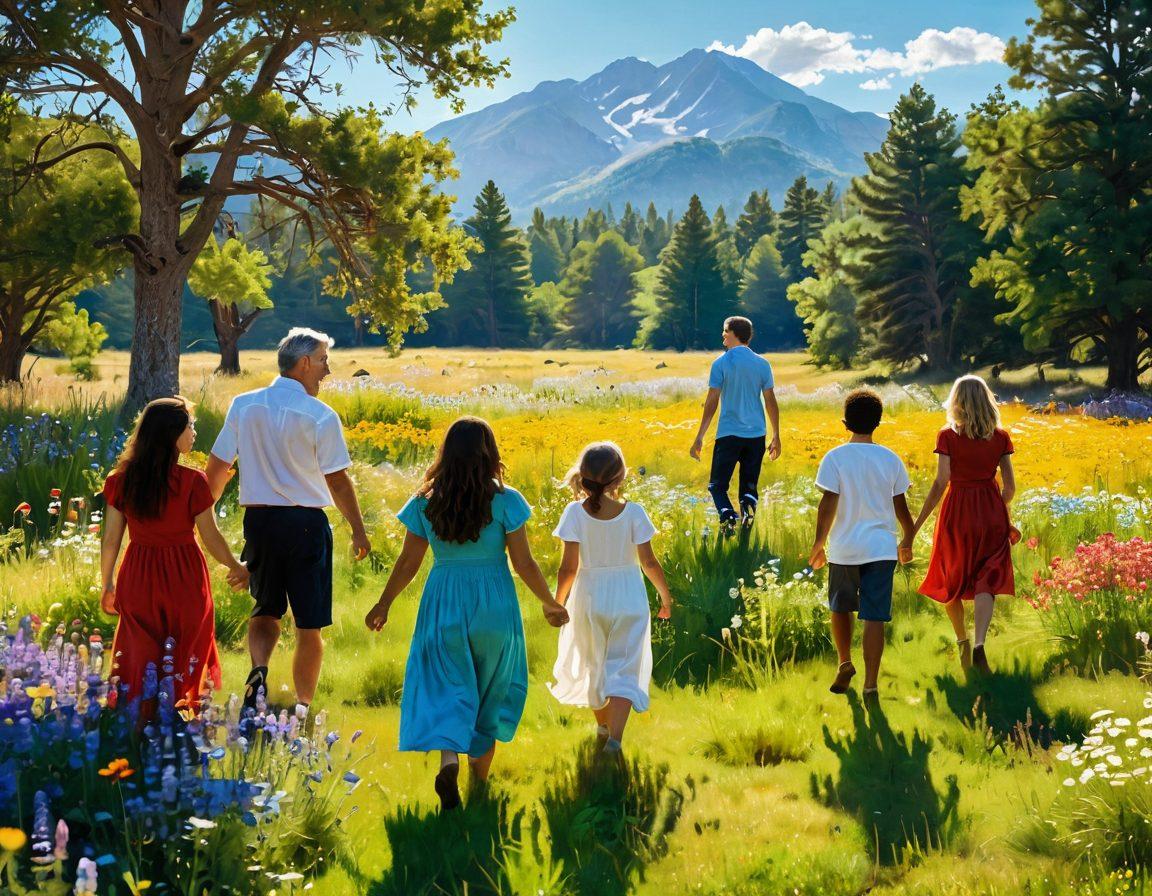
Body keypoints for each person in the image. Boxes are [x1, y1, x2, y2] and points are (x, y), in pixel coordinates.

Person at [364, 417, 568, 812]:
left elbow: (408, 561)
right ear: (490, 454)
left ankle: (448, 761)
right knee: (492, 691)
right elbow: (523, 562)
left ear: (446, 453)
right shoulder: (506, 500)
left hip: (444, 598)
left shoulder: (426, 501)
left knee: (445, 685)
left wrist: (383, 603)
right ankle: (479, 781)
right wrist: (548, 601)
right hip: (494, 601)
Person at [205, 328, 370, 713]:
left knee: (265, 608)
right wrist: (358, 529)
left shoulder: (243, 405)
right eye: (325, 361)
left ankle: (259, 668)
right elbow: (337, 480)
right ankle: (302, 705)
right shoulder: (320, 415)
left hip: (259, 524)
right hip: (306, 525)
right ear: (305, 363)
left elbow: (217, 468)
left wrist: (202, 515)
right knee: (308, 624)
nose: (327, 371)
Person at [100, 397, 248, 712]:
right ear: (171, 434)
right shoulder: (192, 481)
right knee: (188, 645)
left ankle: (137, 723)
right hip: (186, 576)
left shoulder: (120, 481)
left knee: (141, 651)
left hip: (139, 573)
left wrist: (108, 583)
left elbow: (111, 539)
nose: (194, 432)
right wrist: (236, 565)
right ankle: (185, 719)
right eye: (189, 426)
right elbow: (211, 536)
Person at [549, 442, 673, 755]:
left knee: (594, 666)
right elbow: (649, 563)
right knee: (624, 667)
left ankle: (603, 728)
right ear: (620, 479)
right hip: (629, 596)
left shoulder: (574, 513)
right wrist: (665, 597)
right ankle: (614, 739)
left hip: (589, 597)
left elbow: (568, 568)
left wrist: (557, 603)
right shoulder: (634, 513)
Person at [809, 389, 914, 697]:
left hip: (845, 548)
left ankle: (844, 662)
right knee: (874, 616)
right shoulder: (890, 459)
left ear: (845, 423)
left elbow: (828, 504)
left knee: (840, 608)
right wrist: (907, 537)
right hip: (881, 549)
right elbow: (901, 506)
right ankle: (870, 684)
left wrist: (818, 544)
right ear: (878, 423)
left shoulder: (835, 458)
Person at [911, 375, 1017, 674]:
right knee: (988, 577)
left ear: (956, 402)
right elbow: (1009, 489)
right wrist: (999, 511)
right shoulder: (1001, 437)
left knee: (951, 577)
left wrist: (917, 523)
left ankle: (963, 641)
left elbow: (942, 480)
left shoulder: (947, 436)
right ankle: (981, 643)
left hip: (958, 512)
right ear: (987, 401)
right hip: (991, 511)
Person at [690, 316, 781, 532]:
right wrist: (776, 435)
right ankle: (746, 531)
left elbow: (711, 401)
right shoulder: (762, 364)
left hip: (729, 434)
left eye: (725, 331)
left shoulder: (721, 363)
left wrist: (700, 436)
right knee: (749, 489)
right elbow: (771, 402)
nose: (722, 335)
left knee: (717, 486)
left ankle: (728, 516)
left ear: (735, 334)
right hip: (756, 435)